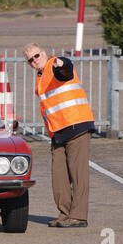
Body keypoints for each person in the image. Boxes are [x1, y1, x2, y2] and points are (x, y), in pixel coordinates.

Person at [23, 43, 95, 228]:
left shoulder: (55, 66)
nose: (34, 61)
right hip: (58, 131)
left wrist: (62, 64)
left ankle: (78, 216)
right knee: (59, 176)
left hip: (77, 125)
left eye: (36, 56)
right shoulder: (40, 78)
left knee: (78, 174)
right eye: (30, 60)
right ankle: (65, 213)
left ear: (44, 53)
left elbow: (66, 70)